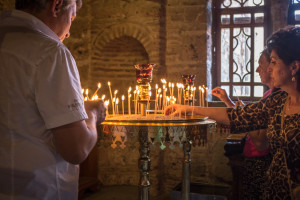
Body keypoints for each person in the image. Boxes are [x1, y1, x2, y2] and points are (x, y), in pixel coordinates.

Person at [165, 26, 300, 199]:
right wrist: (189, 108)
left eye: (274, 62)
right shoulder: (278, 101)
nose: (269, 69)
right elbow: (238, 117)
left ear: (294, 66)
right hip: (274, 191)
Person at [0, 0, 106, 199]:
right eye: (72, 18)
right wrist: (92, 113)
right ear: (56, 6)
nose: (68, 33)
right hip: (38, 190)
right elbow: (76, 149)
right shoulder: (50, 52)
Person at [212, 48, 281, 200]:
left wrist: (246, 117)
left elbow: (260, 142)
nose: (257, 69)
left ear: (272, 67)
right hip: (252, 158)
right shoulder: (268, 94)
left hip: (261, 162)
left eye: (260, 65)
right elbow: (246, 119)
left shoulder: (275, 98)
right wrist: (227, 101)